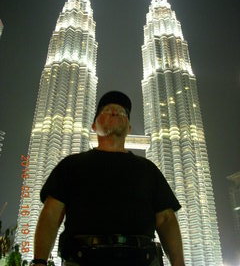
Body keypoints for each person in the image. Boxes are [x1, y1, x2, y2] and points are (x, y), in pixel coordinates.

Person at [32, 91, 185, 266]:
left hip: (142, 259)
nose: (115, 112)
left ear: (129, 128)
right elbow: (51, 214)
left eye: (122, 112)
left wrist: (178, 263)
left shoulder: (148, 169)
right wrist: (39, 261)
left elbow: (166, 219)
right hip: (82, 259)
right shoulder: (70, 165)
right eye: (107, 110)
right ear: (93, 126)